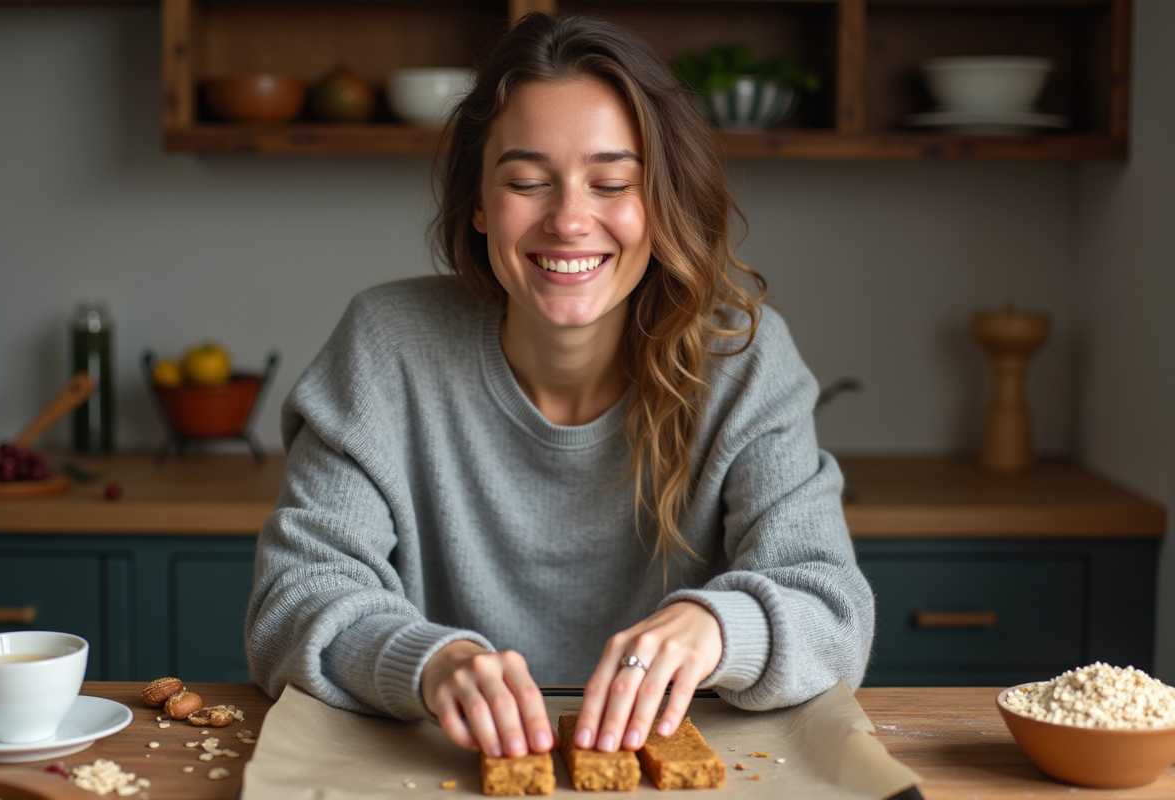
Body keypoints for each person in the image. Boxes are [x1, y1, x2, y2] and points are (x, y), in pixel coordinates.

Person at [246, 11, 874, 762]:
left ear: (662, 203)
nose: (570, 220)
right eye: (528, 181)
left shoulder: (742, 357)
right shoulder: (385, 347)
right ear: (480, 202)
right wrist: (428, 662)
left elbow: (833, 612)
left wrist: (716, 626)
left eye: (612, 182)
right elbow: (295, 600)